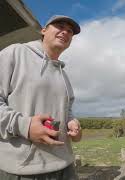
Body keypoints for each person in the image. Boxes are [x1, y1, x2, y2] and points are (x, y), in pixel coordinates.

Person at [0, 15, 82, 180]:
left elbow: (68, 110)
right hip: (23, 170)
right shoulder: (15, 53)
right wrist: (26, 126)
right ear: (43, 31)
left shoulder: (63, 74)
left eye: (70, 31)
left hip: (65, 166)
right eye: (59, 26)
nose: (65, 31)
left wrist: (72, 123)